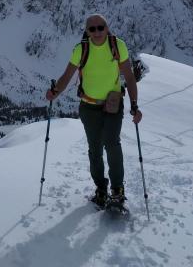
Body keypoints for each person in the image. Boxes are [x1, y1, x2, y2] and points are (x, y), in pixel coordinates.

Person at [46, 14, 142, 208]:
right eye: (92, 29)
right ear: (87, 32)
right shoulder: (81, 49)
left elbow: (129, 78)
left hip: (113, 104)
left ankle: (117, 190)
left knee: (112, 144)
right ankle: (101, 188)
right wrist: (54, 92)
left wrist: (134, 105)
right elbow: (66, 76)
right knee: (95, 149)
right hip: (89, 107)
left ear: (107, 28)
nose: (97, 32)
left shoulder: (117, 45)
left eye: (101, 27)